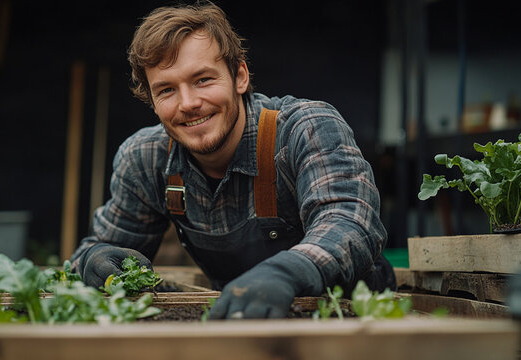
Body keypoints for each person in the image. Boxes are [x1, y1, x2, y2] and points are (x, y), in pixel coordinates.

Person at [71, 1, 395, 319]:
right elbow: (100, 247)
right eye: (167, 90)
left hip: (352, 321)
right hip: (236, 324)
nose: (188, 103)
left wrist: (287, 273)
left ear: (240, 76)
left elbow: (350, 222)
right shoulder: (145, 159)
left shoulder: (305, 128)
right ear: (152, 101)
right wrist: (94, 259)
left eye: (203, 80)